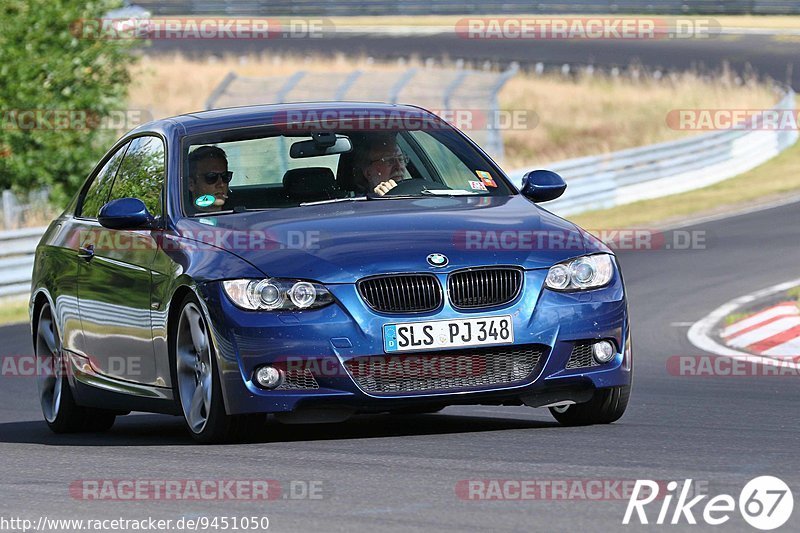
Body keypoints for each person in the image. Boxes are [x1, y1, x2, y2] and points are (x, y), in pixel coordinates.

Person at [187, 145, 232, 212]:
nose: (221, 184)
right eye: (211, 177)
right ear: (191, 184)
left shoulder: (240, 215)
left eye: (225, 176)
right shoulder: (184, 220)